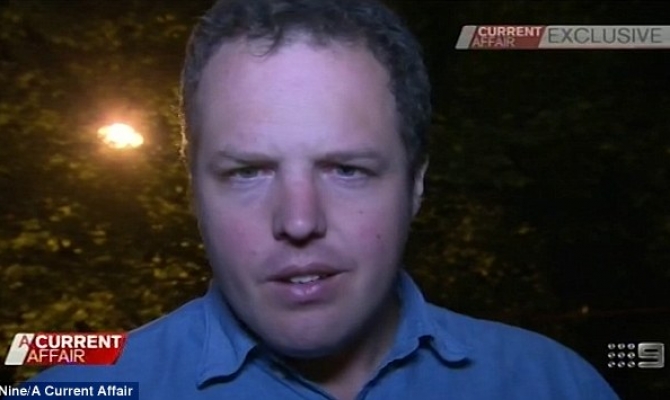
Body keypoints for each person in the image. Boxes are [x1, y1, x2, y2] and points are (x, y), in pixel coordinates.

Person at [30, 0, 619, 399]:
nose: (299, 220)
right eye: (248, 172)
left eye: (346, 169)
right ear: (194, 192)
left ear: (416, 183)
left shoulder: (552, 385)